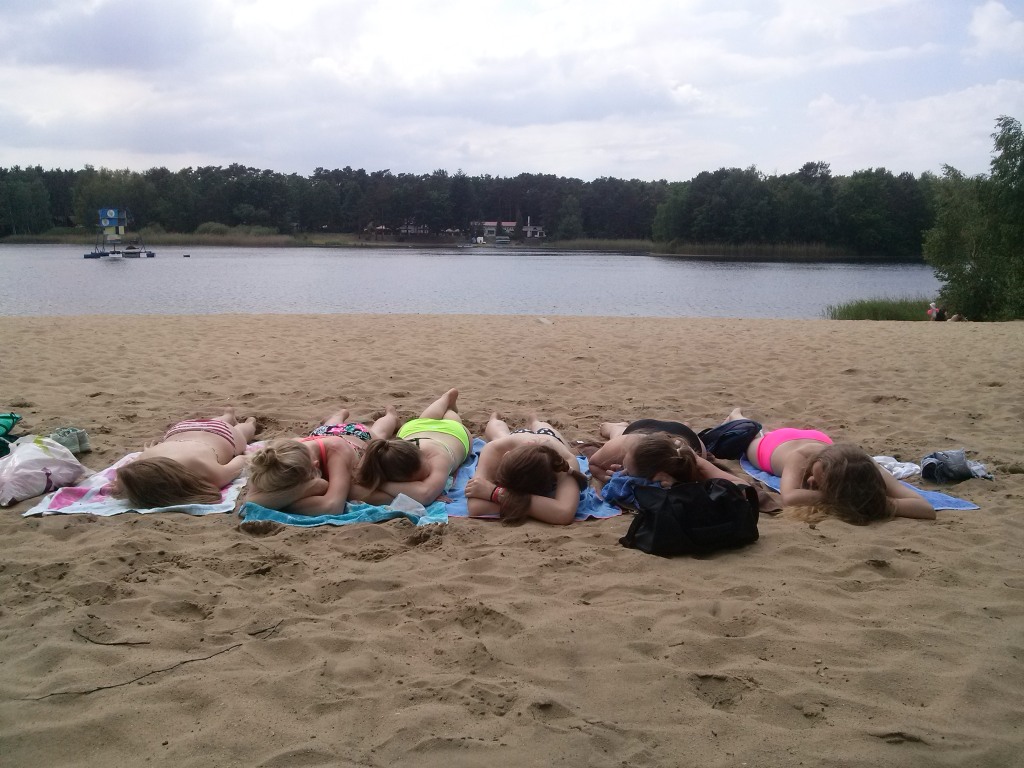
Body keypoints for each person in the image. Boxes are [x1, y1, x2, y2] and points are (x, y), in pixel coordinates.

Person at [734, 408, 935, 523]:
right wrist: (856, 499)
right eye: (813, 473)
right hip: (771, 447)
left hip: (819, 439)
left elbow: (926, 509)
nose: (810, 480)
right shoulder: (801, 457)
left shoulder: (864, 464)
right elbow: (790, 497)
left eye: (818, 481)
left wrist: (868, 498)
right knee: (748, 432)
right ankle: (736, 415)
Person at [245, 406, 399, 515]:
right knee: (330, 426)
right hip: (321, 434)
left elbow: (332, 506)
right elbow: (251, 500)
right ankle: (340, 414)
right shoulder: (274, 458)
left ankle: (391, 415)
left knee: (380, 433)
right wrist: (310, 488)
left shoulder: (337, 452)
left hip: (357, 436)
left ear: (315, 465)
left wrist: (282, 501)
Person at [113, 407, 256, 508]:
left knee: (242, 433)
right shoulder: (141, 463)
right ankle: (229, 415)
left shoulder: (209, 474)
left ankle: (248, 423)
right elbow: (124, 476)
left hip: (221, 434)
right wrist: (149, 453)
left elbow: (240, 461)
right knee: (223, 423)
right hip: (180, 429)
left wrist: (244, 455)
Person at [354, 388, 472, 506]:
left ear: (419, 451)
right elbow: (354, 490)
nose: (429, 470)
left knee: (449, 414)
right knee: (426, 419)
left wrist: (378, 483)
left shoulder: (438, 456)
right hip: (414, 429)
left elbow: (425, 494)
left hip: (452, 431)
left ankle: (447, 399)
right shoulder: (380, 455)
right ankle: (446, 399)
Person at [464, 413, 587, 525]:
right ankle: (496, 417)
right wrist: (541, 509)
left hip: (551, 440)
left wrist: (496, 493)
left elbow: (564, 513)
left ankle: (534, 420)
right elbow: (475, 507)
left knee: (544, 428)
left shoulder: (565, 461)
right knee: (499, 434)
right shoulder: (497, 448)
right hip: (516, 440)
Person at [588, 418, 706, 483]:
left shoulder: (689, 465)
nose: (624, 470)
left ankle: (683, 424)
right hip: (644, 429)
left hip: (684, 433)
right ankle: (617, 426)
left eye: (627, 469)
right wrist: (606, 478)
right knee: (613, 432)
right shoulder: (625, 444)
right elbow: (593, 463)